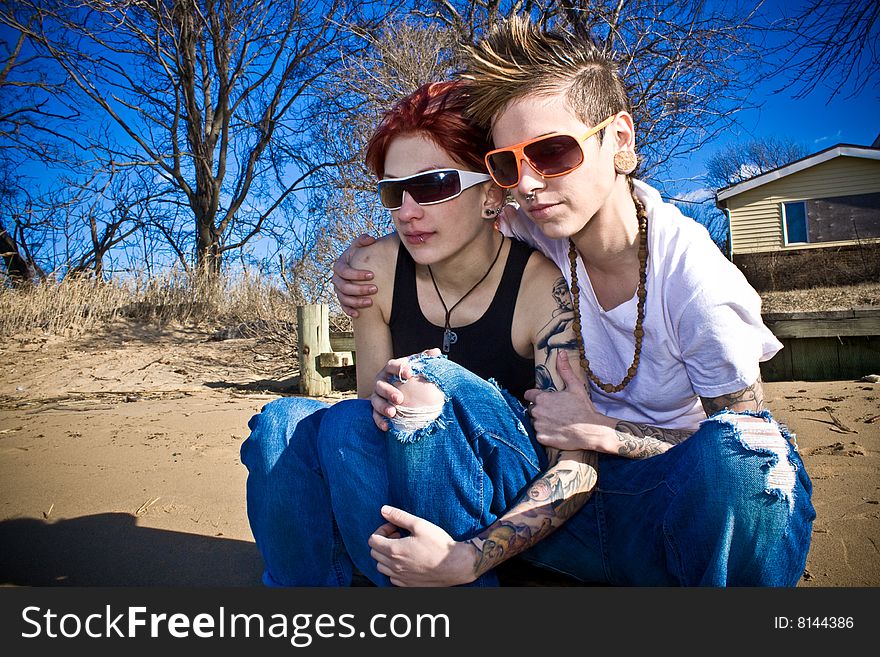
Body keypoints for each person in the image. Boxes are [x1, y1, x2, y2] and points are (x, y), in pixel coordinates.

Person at [332, 16, 815, 586]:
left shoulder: (699, 284)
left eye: (554, 152)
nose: (529, 183)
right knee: (421, 387)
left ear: (622, 142)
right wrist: (357, 263)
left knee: (746, 458)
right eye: (509, 162)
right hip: (568, 510)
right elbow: (446, 217)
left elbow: (741, 446)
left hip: (668, 507)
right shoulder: (537, 227)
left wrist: (607, 431)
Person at [240, 80, 597, 587]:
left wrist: (474, 555)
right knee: (280, 423)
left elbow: (571, 463)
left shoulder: (541, 288)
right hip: (400, 466)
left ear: (492, 192)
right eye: (393, 191)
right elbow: (365, 417)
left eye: (433, 186)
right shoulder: (374, 269)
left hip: (499, 495)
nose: (407, 211)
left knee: (423, 382)